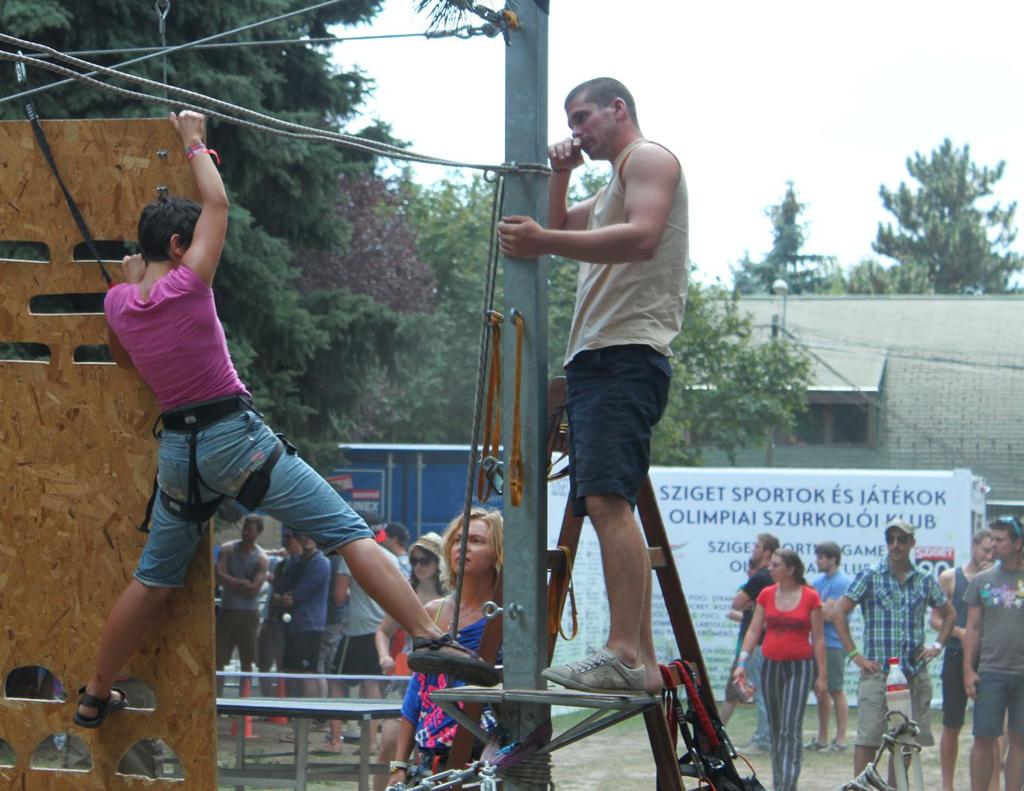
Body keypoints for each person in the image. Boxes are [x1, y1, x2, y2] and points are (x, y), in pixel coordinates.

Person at [73, 111, 494, 729]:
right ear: (177, 248)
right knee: (350, 533)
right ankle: (428, 634)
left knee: (152, 582)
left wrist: (131, 286)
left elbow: (124, 358)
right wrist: (194, 141)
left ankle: (94, 692)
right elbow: (217, 203)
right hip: (234, 439)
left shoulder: (118, 303)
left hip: (179, 458)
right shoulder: (190, 284)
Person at [497, 77, 687, 694]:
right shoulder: (611, 182)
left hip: (625, 354)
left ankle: (626, 653)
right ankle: (646, 659)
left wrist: (545, 238)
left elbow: (642, 236)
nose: (576, 128)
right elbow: (558, 227)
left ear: (618, 109)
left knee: (608, 502)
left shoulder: (650, 159)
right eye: (570, 120)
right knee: (607, 500)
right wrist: (560, 174)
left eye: (583, 116)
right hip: (598, 359)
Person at [387, 509, 503, 789]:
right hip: (431, 757)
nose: (462, 548)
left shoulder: (506, 616)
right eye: (457, 540)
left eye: (476, 540)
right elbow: (416, 692)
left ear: (498, 553)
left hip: (485, 759)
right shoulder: (433, 615)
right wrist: (399, 765)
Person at [832, 518, 956, 778]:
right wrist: (855, 655)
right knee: (868, 738)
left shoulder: (924, 579)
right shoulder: (871, 574)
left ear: (912, 543)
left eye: (901, 539)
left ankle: (894, 785)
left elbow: (950, 615)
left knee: (907, 741)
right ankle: (861, 785)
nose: (895, 545)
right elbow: (839, 612)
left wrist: (937, 645)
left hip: (913, 672)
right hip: (878, 671)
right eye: (891, 539)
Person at [732, 548, 826, 791]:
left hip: (800, 666)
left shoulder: (810, 596)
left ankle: (788, 784)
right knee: (776, 728)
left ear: (791, 569)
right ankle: (779, 783)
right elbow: (753, 630)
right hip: (770, 663)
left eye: (775, 565)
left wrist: (822, 675)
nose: (770, 569)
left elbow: (818, 638)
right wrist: (742, 662)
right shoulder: (766, 594)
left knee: (790, 726)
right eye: (770, 565)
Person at [373, 532, 447, 790]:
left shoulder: (453, 598)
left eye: (425, 559)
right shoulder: (407, 593)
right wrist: (385, 656)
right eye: (415, 560)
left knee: (428, 754)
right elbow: (383, 631)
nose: (418, 565)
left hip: (440, 680)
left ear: (439, 562)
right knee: (389, 745)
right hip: (406, 676)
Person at [963, 516, 1024, 791]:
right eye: (992, 539)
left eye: (1000, 540)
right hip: (990, 671)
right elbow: (973, 628)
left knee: (1020, 741)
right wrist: (968, 669)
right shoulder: (982, 581)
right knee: (984, 738)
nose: (994, 545)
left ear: (1018, 543)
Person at [931, 528, 994, 791]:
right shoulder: (950, 578)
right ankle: (948, 785)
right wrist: (959, 632)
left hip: (989, 658)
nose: (990, 555)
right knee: (952, 723)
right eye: (986, 549)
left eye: (994, 550)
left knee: (990, 728)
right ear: (974, 546)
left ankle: (992, 784)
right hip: (957, 655)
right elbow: (935, 618)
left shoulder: (997, 580)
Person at [322, 536, 399, 752]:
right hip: (382, 628)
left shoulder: (351, 556)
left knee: (336, 682)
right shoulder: (392, 558)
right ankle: (371, 742)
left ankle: (336, 740)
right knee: (371, 684)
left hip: (357, 628)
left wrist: (353, 596)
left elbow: (338, 595)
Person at [729, 533, 779, 752]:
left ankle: (764, 740)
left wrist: (748, 603)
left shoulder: (761, 577)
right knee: (764, 692)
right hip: (766, 641)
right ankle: (762, 736)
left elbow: (737, 602)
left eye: (757, 546)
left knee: (760, 693)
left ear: (767, 551)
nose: (753, 549)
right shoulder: (773, 578)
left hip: (758, 643)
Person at [805, 541, 852, 753]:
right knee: (820, 690)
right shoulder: (817, 581)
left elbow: (830, 615)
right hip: (816, 642)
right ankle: (822, 737)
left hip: (833, 643)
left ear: (832, 559)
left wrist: (819, 612)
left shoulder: (842, 581)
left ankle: (841, 739)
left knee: (836, 689)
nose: (817, 561)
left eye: (821, 557)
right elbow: (814, 612)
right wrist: (819, 612)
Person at [215, 515, 269, 694]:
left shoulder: (261, 558)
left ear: (258, 532)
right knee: (219, 659)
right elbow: (219, 576)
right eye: (244, 528)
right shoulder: (228, 549)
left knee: (248, 660)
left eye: (250, 530)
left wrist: (232, 582)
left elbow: (254, 588)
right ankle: (217, 699)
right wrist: (242, 583)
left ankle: (244, 700)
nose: (246, 533)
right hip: (228, 611)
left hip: (248, 614)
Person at [279, 535, 330, 698]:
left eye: (311, 534)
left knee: (308, 674)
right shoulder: (295, 563)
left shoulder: (321, 563)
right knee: (293, 672)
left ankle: (313, 718)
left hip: (311, 626)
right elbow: (282, 587)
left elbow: (301, 592)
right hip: (294, 625)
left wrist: (287, 599)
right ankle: (297, 717)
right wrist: (281, 598)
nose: (307, 538)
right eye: (303, 534)